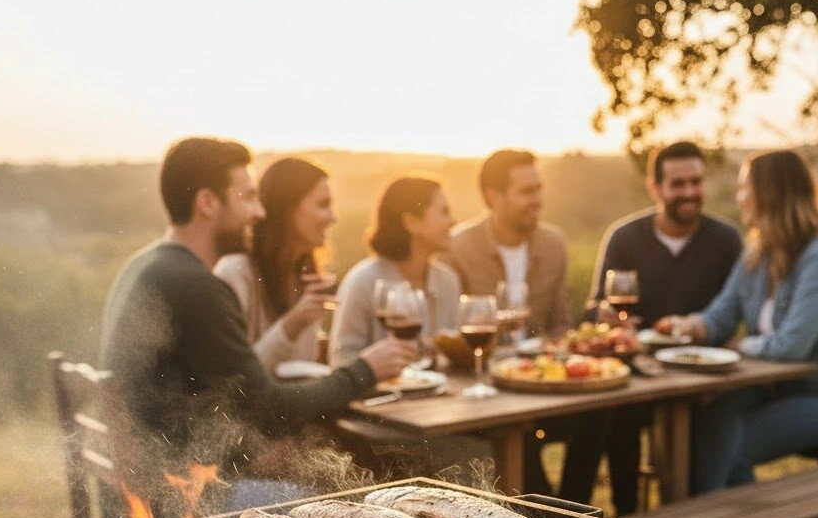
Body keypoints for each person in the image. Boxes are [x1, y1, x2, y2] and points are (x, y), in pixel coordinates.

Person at [99, 137, 417, 513]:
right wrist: (365, 370)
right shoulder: (199, 288)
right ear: (207, 203)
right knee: (348, 508)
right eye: (248, 196)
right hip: (189, 500)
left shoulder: (146, 264)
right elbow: (269, 408)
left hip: (151, 484)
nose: (260, 212)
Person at [656, 149, 818, 494]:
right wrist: (689, 325)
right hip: (771, 390)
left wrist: (740, 346)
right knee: (706, 422)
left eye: (743, 188)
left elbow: (792, 346)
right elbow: (720, 315)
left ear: (768, 194)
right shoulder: (757, 252)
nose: (739, 198)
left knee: (728, 449)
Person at [569, 141, 743, 513]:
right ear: (656, 188)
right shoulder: (625, 237)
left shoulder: (726, 240)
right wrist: (605, 317)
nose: (689, 193)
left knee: (705, 427)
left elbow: (736, 314)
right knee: (614, 412)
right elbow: (594, 309)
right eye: (678, 184)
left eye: (696, 182)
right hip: (638, 375)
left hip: (701, 378)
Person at [214, 157, 336, 373]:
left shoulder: (304, 276)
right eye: (323, 205)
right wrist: (291, 325)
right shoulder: (236, 272)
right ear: (288, 209)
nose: (333, 217)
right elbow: (235, 378)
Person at [329, 176, 461, 368]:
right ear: (411, 222)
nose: (453, 221)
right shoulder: (363, 281)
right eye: (444, 212)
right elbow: (341, 363)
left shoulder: (447, 281)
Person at [445, 149, 571, 338]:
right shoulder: (458, 248)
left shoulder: (554, 245)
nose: (537, 200)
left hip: (538, 364)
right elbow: (449, 330)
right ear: (493, 197)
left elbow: (561, 324)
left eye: (539, 189)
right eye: (527, 191)